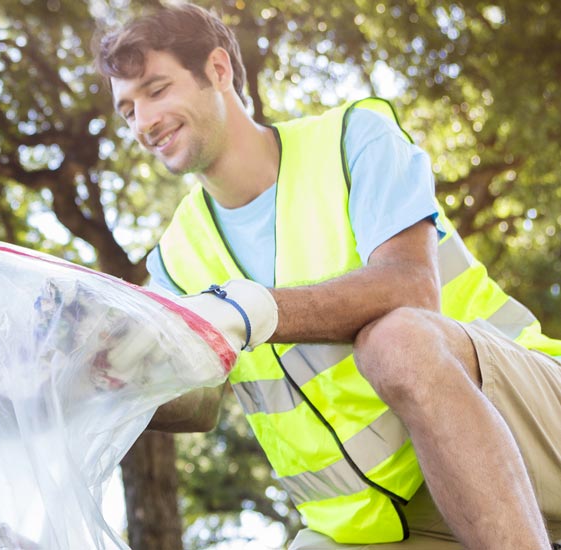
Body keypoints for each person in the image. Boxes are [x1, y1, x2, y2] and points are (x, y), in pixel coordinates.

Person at [97, 4, 561, 548]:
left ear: (219, 71)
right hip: (390, 521)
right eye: (127, 110)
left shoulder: (352, 140)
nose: (143, 122)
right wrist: (103, 374)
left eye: (156, 90)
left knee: (398, 340)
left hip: (531, 429)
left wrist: (253, 309)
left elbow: (412, 286)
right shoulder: (175, 259)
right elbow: (197, 403)